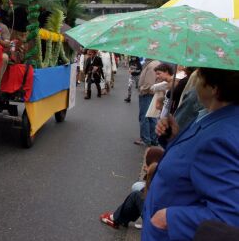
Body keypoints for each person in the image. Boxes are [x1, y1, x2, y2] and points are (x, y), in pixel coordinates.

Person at [145, 67, 239, 240]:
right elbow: (193, 161)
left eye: (199, 79)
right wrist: (173, 137)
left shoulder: (221, 137)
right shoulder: (211, 116)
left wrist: (169, 219)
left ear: (214, 88)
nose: (195, 86)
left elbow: (229, 216)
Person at [100, 147, 164, 229]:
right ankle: (124, 219)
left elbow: (150, 192)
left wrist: (149, 173)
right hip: (162, 210)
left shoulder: (157, 171)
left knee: (136, 195)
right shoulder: (164, 168)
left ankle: (115, 218)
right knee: (138, 188)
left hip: (157, 217)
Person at [135, 59, 160, 146]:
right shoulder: (154, 63)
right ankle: (153, 138)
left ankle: (145, 139)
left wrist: (142, 89)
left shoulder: (152, 65)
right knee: (151, 116)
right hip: (151, 93)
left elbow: (149, 83)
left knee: (144, 116)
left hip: (147, 93)